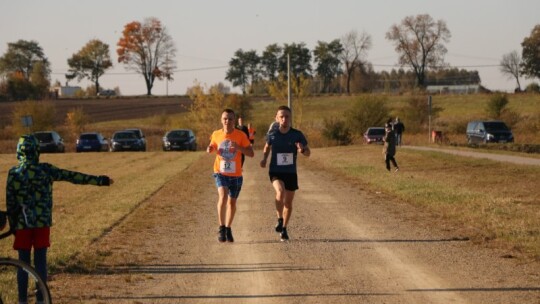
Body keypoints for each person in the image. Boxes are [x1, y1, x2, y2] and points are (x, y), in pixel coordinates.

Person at [6, 134, 113, 304]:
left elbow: (10, 203)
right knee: (40, 261)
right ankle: (42, 299)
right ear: (37, 151)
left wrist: (13, 226)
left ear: (19, 151)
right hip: (42, 224)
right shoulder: (46, 170)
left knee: (22, 263)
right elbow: (72, 176)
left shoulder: (13, 173)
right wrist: (100, 181)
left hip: (22, 225)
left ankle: (22, 300)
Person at [260, 105, 310, 241]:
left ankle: (284, 228)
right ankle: (280, 219)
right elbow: (267, 147)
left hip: (291, 173)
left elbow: (308, 153)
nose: (284, 119)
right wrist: (264, 158)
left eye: (287, 116)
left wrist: (302, 150)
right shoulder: (272, 134)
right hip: (276, 171)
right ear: (276, 118)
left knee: (288, 203)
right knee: (280, 191)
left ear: (290, 118)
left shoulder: (297, 135)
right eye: (281, 116)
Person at [207, 109, 254, 243]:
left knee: (232, 202)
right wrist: (209, 149)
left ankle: (228, 228)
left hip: (236, 174)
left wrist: (239, 148)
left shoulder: (240, 135)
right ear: (221, 120)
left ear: (234, 121)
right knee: (223, 195)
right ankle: (221, 227)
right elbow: (212, 146)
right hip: (220, 172)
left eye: (230, 119)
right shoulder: (216, 134)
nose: (227, 121)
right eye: (225, 119)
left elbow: (251, 153)